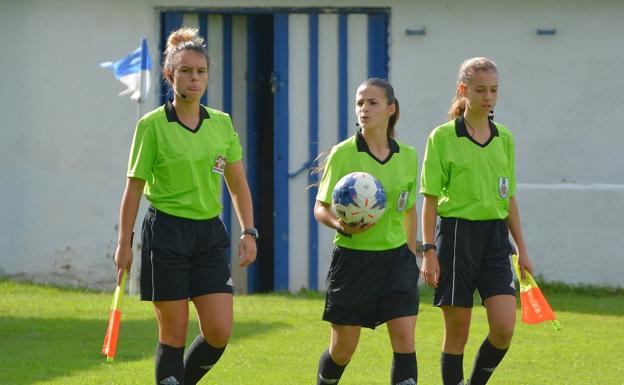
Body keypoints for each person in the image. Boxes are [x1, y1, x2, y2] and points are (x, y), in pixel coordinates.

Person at [113, 27, 257, 385]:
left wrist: (249, 231)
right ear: (169, 75)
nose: (194, 79)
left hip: (209, 234)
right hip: (166, 234)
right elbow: (133, 190)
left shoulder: (221, 124)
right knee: (173, 335)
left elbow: (237, 183)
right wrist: (123, 244)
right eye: (186, 72)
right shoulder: (152, 126)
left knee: (219, 331)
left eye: (201, 72)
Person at [419, 57, 534, 385]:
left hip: (496, 240)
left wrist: (522, 250)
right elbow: (428, 199)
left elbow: (508, 198)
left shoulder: (505, 138)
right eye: (480, 89)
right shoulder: (441, 138)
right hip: (455, 237)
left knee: (504, 327)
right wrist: (428, 250)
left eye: (494, 90)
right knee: (458, 332)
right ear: (463, 90)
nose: (488, 96)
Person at [314, 78, 420, 385]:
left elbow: (409, 209)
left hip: (396, 262)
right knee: (342, 349)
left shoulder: (408, 156)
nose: (364, 109)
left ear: (391, 109)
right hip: (353, 261)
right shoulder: (343, 154)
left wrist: (411, 255)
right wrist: (340, 225)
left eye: (372, 103)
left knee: (404, 342)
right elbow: (320, 208)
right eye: (360, 103)